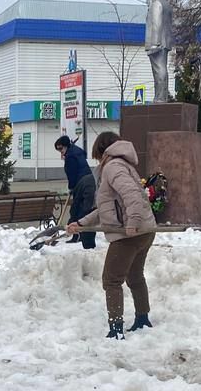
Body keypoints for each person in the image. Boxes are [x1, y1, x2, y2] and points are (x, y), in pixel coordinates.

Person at [66, 131, 158, 338]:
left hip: (129, 234)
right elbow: (108, 207)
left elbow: (133, 196)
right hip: (144, 231)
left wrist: (132, 223)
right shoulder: (124, 165)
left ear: (101, 150)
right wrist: (81, 223)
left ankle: (116, 329)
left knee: (111, 280)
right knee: (134, 276)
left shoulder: (113, 167)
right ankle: (143, 319)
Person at [56, 134, 96, 249]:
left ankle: (79, 236)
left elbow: (72, 174)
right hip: (90, 181)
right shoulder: (77, 151)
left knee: (77, 211)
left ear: (66, 146)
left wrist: (71, 187)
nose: (60, 152)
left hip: (81, 184)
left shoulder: (70, 157)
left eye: (60, 149)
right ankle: (82, 237)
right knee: (86, 211)